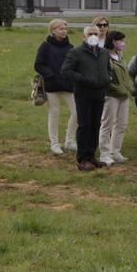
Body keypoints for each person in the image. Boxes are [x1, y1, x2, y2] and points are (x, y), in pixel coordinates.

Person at [61, 25, 111, 171]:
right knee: (85, 125)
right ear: (84, 37)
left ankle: (91, 155)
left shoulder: (103, 53)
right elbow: (66, 71)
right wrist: (82, 79)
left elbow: (108, 68)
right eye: (90, 33)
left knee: (96, 125)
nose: (93, 36)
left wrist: (108, 78)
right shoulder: (76, 52)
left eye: (95, 33)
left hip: (100, 92)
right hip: (84, 93)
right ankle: (82, 159)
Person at [35, 19, 77, 156]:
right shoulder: (45, 46)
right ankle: (54, 143)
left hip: (68, 85)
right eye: (60, 29)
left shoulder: (70, 47)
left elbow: (74, 65)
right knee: (54, 113)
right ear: (53, 30)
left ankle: (69, 141)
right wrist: (50, 74)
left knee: (77, 112)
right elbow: (38, 65)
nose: (64, 31)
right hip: (52, 85)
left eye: (65, 28)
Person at [97, 31, 132, 166]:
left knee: (122, 124)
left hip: (124, 95)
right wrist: (117, 88)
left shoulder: (120, 55)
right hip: (111, 95)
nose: (123, 43)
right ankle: (104, 153)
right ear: (113, 41)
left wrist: (128, 88)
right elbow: (105, 77)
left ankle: (115, 151)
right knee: (107, 124)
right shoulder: (104, 56)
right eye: (120, 41)